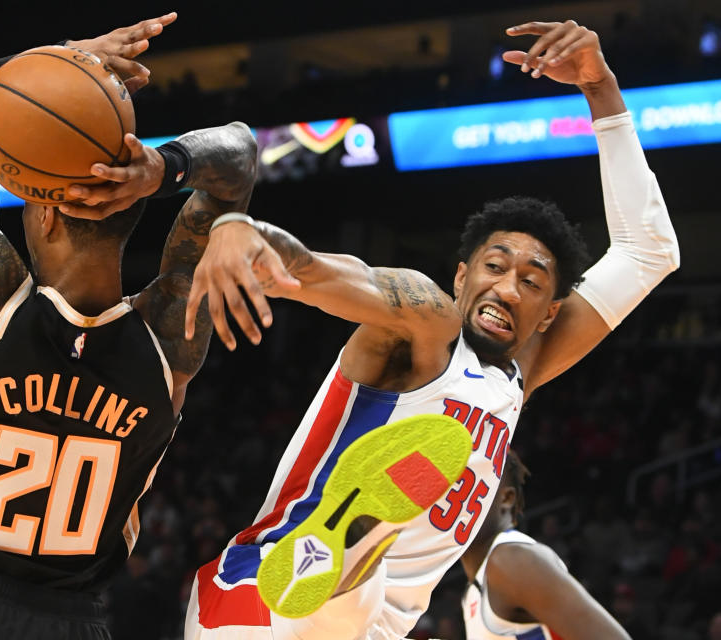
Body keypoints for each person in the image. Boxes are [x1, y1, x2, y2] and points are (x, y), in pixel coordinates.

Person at [183, 19, 680, 640]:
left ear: (550, 312)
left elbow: (648, 252)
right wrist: (248, 234)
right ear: (462, 275)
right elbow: (339, 273)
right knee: (343, 592)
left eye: (532, 282)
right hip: (262, 598)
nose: (506, 286)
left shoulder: (521, 373)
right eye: (495, 268)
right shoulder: (425, 320)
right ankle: (345, 549)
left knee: (367, 599)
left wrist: (601, 88)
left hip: (379, 628)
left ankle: (356, 551)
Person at [0, 14, 261, 640]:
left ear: (45, 216)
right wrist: (164, 167)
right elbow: (241, 152)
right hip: (74, 624)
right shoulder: (171, 337)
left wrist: (63, 57)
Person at [460, 450, 631, 640]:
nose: (451, 502)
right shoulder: (474, 588)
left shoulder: (512, 560)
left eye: (464, 485)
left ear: (506, 498)